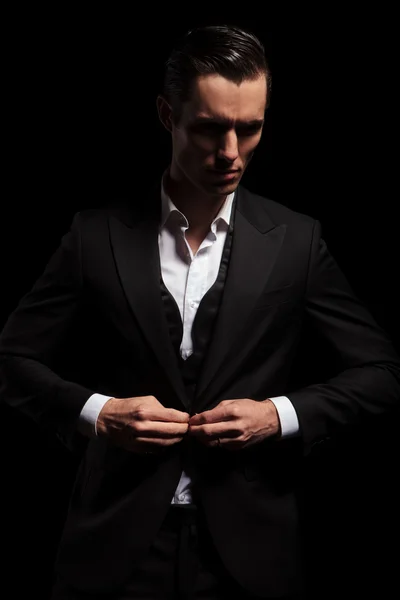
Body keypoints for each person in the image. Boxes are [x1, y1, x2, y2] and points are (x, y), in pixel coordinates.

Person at [1, 23, 399, 600]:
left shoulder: (296, 241)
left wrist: (278, 415)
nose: (231, 153)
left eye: (251, 128)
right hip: (114, 551)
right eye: (211, 128)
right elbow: (14, 359)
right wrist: (100, 413)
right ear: (167, 114)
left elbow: (382, 373)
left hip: (251, 556)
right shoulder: (95, 236)